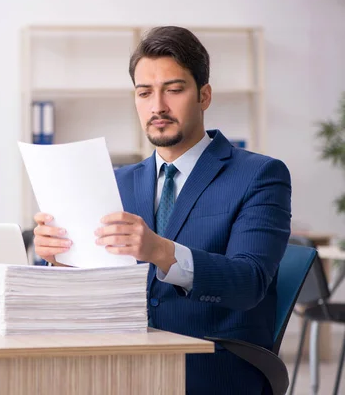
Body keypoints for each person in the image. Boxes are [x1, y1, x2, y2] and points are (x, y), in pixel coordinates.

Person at [33, 26, 291, 395]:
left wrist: (160, 251)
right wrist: (60, 258)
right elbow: (98, 287)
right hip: (124, 360)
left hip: (215, 366)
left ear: (204, 95)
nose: (158, 106)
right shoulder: (117, 182)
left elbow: (249, 282)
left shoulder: (259, 175)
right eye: (144, 92)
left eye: (174, 89)